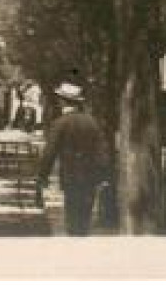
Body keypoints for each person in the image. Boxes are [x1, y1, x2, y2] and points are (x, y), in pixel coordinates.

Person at [37, 82, 107, 236]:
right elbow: (102, 151)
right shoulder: (92, 122)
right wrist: (103, 175)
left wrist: (43, 176)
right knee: (85, 216)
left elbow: (50, 152)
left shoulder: (60, 123)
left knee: (72, 214)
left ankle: (75, 247)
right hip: (91, 176)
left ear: (63, 100)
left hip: (70, 176)